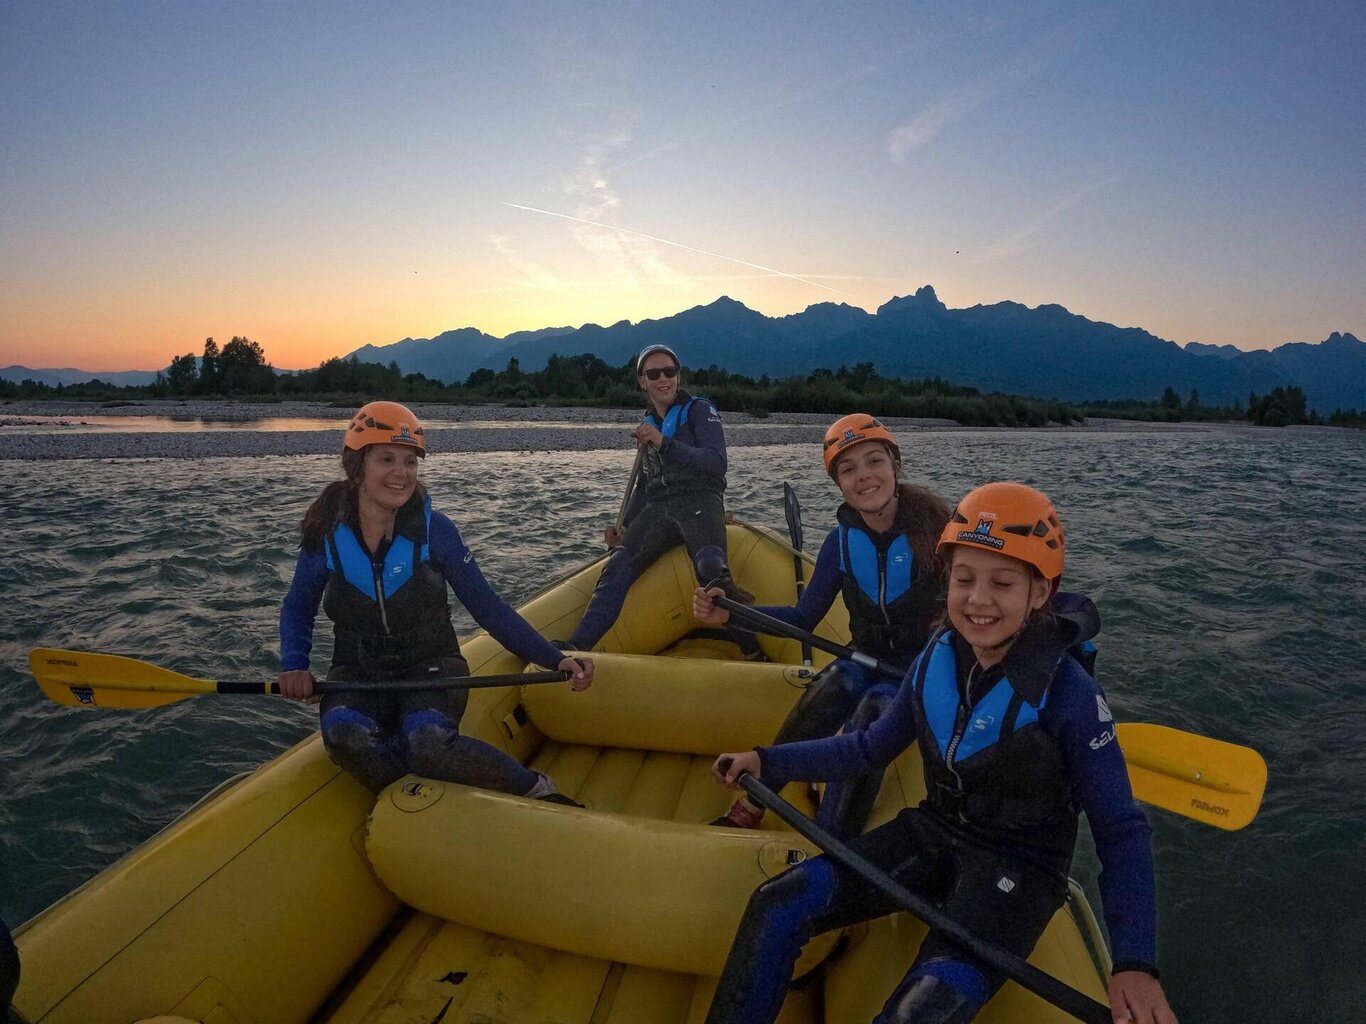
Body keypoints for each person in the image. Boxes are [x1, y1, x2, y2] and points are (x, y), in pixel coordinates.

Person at [707, 482, 1177, 1024]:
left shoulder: (1070, 695)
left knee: (915, 1015)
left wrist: (1135, 962)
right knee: (777, 902)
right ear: (946, 581)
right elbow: (868, 748)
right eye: (963, 579)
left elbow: (1120, 831)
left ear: (1040, 593)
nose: (978, 600)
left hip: (1018, 871)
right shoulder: (936, 656)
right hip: (932, 831)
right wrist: (770, 761)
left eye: (1002, 583)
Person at [278, 400, 593, 803]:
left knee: (426, 739)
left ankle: (536, 789)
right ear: (357, 467)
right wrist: (294, 664)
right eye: (387, 459)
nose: (401, 473)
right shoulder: (326, 533)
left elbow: (488, 607)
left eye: (410, 462)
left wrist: (554, 658)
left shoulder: (436, 532)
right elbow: (297, 607)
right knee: (343, 735)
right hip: (358, 669)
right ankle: (413, 797)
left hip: (432, 665)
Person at [693, 414, 949, 835]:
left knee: (875, 708)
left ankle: (834, 835)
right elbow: (803, 618)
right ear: (837, 483)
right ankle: (759, 797)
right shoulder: (841, 542)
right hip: (863, 658)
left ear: (895, 466)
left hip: (913, 673)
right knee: (832, 686)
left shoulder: (937, 532)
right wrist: (731, 614)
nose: (864, 477)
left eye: (874, 462)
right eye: (848, 469)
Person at [564, 344, 760, 657]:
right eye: (653, 374)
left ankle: (752, 649)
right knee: (617, 567)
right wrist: (624, 525)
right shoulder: (648, 425)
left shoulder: (699, 411)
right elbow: (644, 484)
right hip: (659, 509)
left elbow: (715, 462)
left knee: (711, 568)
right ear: (643, 381)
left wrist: (664, 443)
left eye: (669, 372)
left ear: (678, 377)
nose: (663, 378)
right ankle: (576, 648)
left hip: (700, 501)